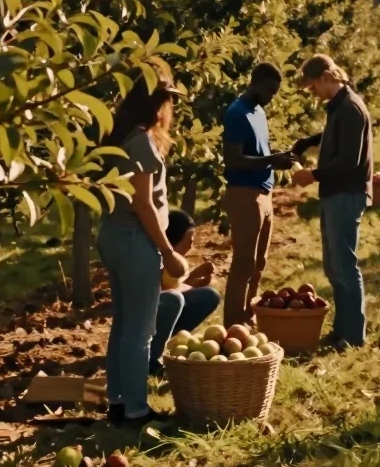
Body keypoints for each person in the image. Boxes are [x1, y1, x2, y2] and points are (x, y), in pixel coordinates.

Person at [99, 65, 186, 425]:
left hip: (113, 233)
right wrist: (168, 251)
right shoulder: (143, 140)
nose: (169, 107)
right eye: (166, 99)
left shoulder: (116, 134)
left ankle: (117, 401)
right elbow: (143, 202)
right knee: (140, 330)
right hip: (136, 239)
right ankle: (136, 409)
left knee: (123, 324)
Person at [292, 54, 374, 350]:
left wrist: (311, 175)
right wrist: (308, 142)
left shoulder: (351, 108)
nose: (312, 92)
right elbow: (334, 137)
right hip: (335, 193)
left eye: (313, 86)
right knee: (334, 266)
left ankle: (353, 335)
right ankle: (343, 329)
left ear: (327, 77)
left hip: (346, 193)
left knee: (344, 264)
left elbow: (349, 160)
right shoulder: (339, 106)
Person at [222, 63, 296, 327]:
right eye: (271, 90)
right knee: (243, 263)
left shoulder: (259, 112)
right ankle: (233, 325)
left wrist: (277, 157)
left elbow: (258, 152)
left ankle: (247, 317)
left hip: (265, 193)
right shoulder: (237, 113)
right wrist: (271, 160)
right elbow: (233, 159)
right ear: (257, 83)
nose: (272, 96)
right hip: (244, 193)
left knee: (259, 262)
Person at [149, 209, 220, 375]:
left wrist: (194, 280)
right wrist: (194, 279)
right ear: (176, 238)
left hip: (161, 308)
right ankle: (150, 360)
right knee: (174, 300)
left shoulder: (175, 262)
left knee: (209, 296)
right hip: (145, 314)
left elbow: (172, 289)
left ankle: (160, 341)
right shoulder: (156, 259)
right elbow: (161, 295)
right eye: (190, 238)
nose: (192, 243)